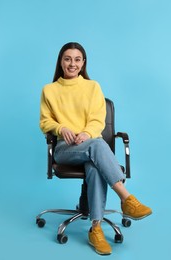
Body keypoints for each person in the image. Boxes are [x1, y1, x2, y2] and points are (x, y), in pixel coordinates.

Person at [40, 42, 152, 255]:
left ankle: (96, 228)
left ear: (83, 64)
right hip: (66, 150)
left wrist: (87, 133)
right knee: (98, 146)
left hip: (89, 146)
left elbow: (97, 120)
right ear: (60, 62)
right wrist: (60, 127)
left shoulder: (93, 87)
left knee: (94, 164)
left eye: (77, 59)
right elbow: (45, 122)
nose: (72, 63)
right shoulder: (50, 90)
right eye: (67, 59)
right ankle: (127, 199)